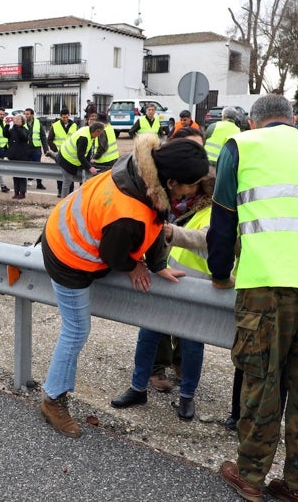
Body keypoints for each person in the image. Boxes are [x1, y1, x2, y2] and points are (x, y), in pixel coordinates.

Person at [39, 133, 209, 438]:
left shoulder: (142, 169)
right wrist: (133, 265)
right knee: (76, 330)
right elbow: (112, 253)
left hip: (78, 232)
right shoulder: (128, 213)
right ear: (171, 183)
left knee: (79, 328)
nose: (195, 190)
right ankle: (53, 399)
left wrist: (157, 265)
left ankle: (55, 395)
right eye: (192, 184)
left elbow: (156, 220)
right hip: (67, 254)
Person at [207, 94, 298, 502]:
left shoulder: (242, 146)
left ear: (253, 123)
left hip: (268, 284)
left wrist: (220, 274)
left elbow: (222, 218)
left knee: (263, 380)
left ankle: (251, 477)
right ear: (293, 121)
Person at [111, 145, 216, 421]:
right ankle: (137, 388)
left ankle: (186, 397)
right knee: (148, 335)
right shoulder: (165, 199)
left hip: (195, 286)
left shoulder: (213, 209)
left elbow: (207, 239)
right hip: (165, 279)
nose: (185, 192)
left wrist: (171, 232)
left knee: (192, 344)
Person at [56, 122, 105, 198]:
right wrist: (90, 168)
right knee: (67, 182)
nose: (99, 136)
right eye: (100, 133)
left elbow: (87, 150)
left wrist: (88, 164)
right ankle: (63, 202)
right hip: (66, 159)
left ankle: (51, 154)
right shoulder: (84, 138)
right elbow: (80, 156)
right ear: (96, 131)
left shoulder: (88, 131)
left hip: (66, 155)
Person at [46, 109, 78, 198]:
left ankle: (70, 192)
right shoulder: (55, 125)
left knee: (70, 174)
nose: (65, 119)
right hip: (59, 155)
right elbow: (49, 140)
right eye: (63, 117)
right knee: (60, 174)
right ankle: (60, 191)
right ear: (60, 116)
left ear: (69, 116)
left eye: (67, 117)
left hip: (71, 154)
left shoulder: (74, 126)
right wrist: (55, 150)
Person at [6, 113, 31, 199]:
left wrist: (17, 127)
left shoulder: (25, 130)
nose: (16, 121)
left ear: (22, 121)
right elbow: (6, 135)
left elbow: (24, 137)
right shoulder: (13, 129)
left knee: (22, 175)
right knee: (15, 175)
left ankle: (22, 192)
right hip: (13, 155)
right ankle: (16, 192)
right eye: (15, 119)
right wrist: (6, 125)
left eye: (18, 119)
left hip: (22, 156)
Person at [24, 108, 48, 190]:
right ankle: (28, 179)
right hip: (26, 148)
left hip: (36, 148)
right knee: (27, 166)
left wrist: (46, 149)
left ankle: (39, 183)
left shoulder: (38, 123)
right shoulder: (23, 123)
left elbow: (43, 136)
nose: (26, 115)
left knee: (38, 166)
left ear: (32, 115)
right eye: (25, 114)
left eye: (27, 114)